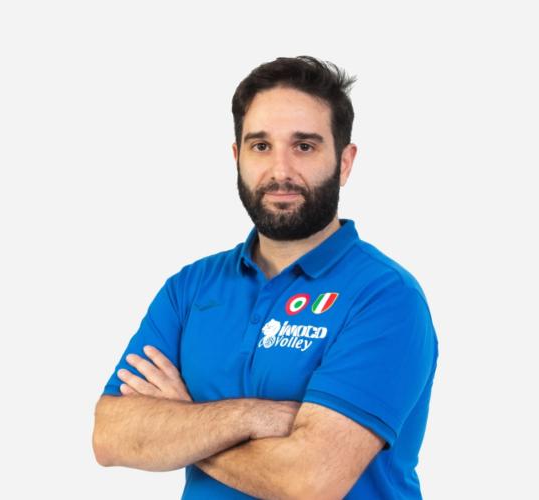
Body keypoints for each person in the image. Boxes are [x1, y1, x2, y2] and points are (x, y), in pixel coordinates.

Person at [92, 55, 439, 499]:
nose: (280, 171)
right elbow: (110, 435)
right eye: (260, 146)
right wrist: (251, 417)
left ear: (345, 162)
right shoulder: (190, 288)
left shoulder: (385, 297)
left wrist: (183, 424)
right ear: (237, 157)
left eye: (304, 146)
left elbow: (308, 481)